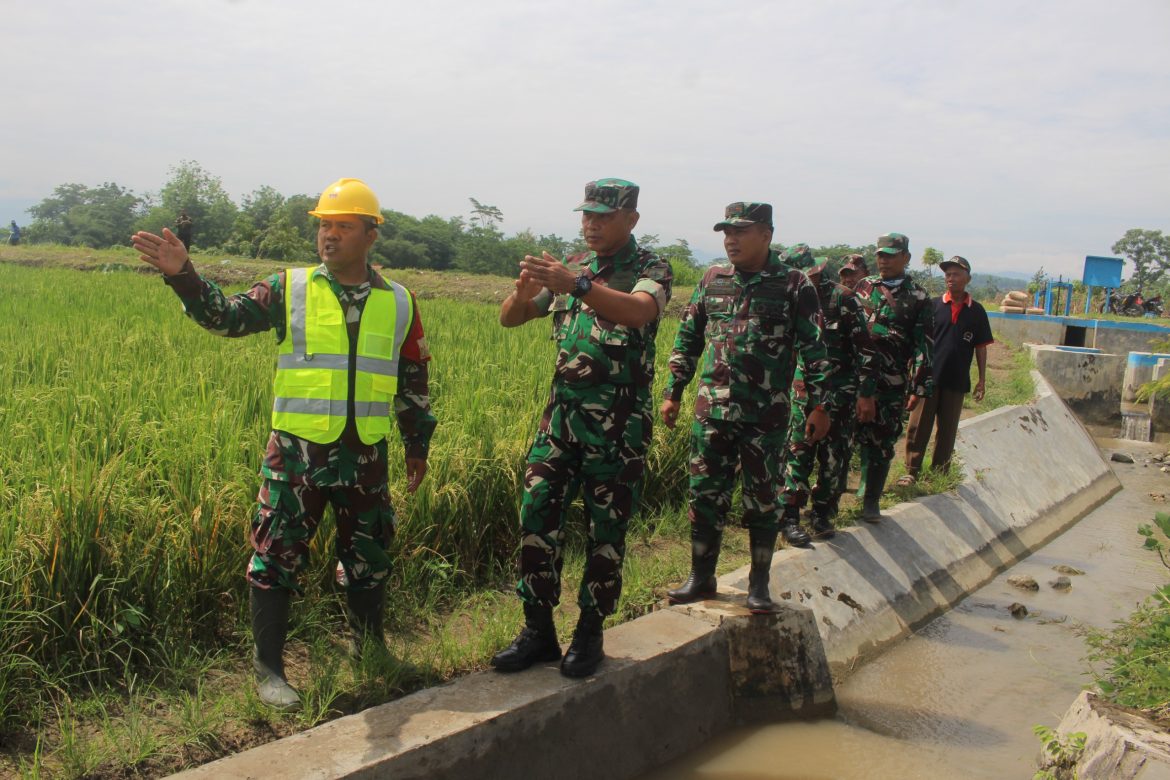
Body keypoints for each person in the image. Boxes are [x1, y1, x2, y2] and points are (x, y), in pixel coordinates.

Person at [131, 178, 436, 711]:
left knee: (369, 552)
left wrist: (417, 444)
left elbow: (412, 377)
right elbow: (224, 318)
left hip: (366, 453)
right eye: (324, 225)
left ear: (371, 235)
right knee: (276, 555)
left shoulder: (401, 302)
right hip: (296, 455)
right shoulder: (288, 287)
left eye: (343, 226)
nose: (330, 236)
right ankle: (269, 669)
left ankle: (371, 649)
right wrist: (183, 276)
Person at [491, 178, 672, 678]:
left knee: (605, 532)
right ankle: (538, 632)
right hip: (561, 422)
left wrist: (579, 287)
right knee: (536, 515)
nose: (590, 224)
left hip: (618, 428)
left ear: (631, 220)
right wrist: (523, 293)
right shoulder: (573, 267)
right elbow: (514, 318)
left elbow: (638, 312)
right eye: (586, 215)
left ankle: (589, 633)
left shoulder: (651, 269)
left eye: (603, 216)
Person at [661, 202, 829, 613]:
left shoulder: (793, 284)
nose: (730, 239)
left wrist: (820, 405)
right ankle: (701, 577)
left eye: (741, 231)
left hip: (765, 416)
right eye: (726, 232)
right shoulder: (712, 279)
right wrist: (674, 391)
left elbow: (815, 348)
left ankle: (759, 584)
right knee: (704, 496)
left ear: (767, 234)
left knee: (762, 500)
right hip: (712, 412)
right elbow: (688, 339)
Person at [781, 257, 868, 539]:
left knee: (833, 457)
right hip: (802, 393)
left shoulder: (842, 299)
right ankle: (790, 517)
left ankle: (823, 514)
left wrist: (865, 394)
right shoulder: (789, 295)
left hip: (838, 394)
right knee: (798, 454)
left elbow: (865, 351)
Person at [854, 232, 933, 522]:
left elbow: (924, 345)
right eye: (880, 255)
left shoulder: (919, 297)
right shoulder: (864, 287)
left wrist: (918, 385)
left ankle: (871, 499)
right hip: (856, 377)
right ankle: (834, 496)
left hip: (892, 380)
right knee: (845, 436)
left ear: (906, 258)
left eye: (890, 255)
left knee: (882, 438)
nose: (883, 260)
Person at [901, 255, 992, 484]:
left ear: (967, 278)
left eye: (956, 274)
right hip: (928, 377)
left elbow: (981, 347)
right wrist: (911, 373)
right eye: (948, 274)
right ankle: (911, 470)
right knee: (919, 425)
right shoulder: (933, 306)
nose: (950, 279)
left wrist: (982, 379)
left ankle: (939, 473)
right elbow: (918, 341)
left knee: (948, 429)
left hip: (957, 378)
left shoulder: (977, 311)